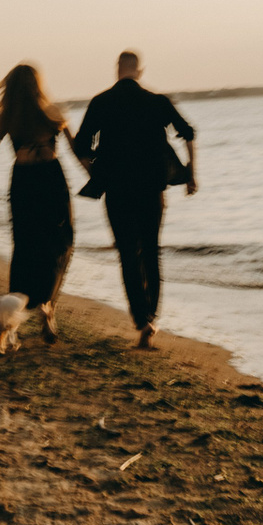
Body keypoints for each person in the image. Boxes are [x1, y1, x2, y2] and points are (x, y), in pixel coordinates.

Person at [72, 50, 197, 349]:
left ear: (118, 69)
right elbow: (188, 133)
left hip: (117, 191)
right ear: (139, 71)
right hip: (152, 190)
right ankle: (151, 316)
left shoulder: (101, 102)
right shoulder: (157, 101)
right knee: (151, 250)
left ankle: (142, 320)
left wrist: (96, 175)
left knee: (128, 253)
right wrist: (191, 174)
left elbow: (81, 146)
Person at [0, 63, 81, 344]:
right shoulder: (53, 112)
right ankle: (47, 308)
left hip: (24, 183)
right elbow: (77, 149)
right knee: (60, 243)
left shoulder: (8, 117)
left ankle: (10, 310)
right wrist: (96, 176)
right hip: (51, 180)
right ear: (38, 85)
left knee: (26, 247)